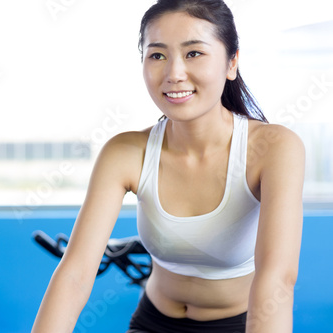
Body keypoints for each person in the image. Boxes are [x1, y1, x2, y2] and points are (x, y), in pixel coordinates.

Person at [32, 0, 305, 332]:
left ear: (231, 62)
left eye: (194, 53)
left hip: (238, 324)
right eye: (157, 55)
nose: (174, 74)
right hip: (153, 320)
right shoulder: (125, 152)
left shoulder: (274, 148)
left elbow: (277, 279)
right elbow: (75, 273)